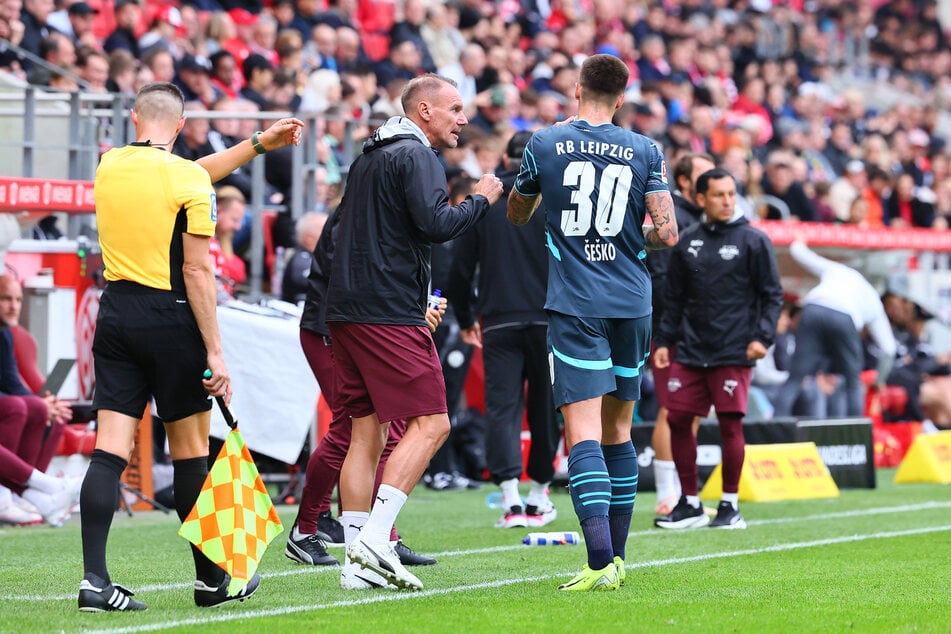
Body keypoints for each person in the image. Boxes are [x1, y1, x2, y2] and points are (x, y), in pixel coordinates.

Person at [77, 81, 303, 612]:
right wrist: (217, 353)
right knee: (189, 454)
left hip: (115, 314)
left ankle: (93, 581)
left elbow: (191, 172)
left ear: (134, 118)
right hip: (171, 318)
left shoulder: (108, 165)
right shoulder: (189, 180)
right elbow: (198, 269)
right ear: (181, 126)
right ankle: (209, 582)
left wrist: (259, 143)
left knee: (109, 450)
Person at [507, 54, 679, 592]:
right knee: (619, 431)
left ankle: (599, 562)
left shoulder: (544, 142)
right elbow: (666, 232)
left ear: (577, 90)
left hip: (577, 304)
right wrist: (630, 234)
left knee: (579, 432)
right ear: (622, 98)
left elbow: (517, 212)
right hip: (632, 302)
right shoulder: (645, 149)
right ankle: (618, 560)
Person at [325, 73, 503, 591]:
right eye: (454, 109)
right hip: (386, 310)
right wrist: (481, 198)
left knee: (367, 431)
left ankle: (355, 565)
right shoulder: (417, 154)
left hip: (346, 308)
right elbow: (436, 225)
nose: (462, 119)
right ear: (423, 111)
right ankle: (376, 541)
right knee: (433, 424)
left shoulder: (368, 155)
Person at [287, 210, 439, 590]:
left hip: (361, 323)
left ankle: (376, 537)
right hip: (335, 327)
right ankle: (307, 529)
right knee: (351, 429)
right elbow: (357, 277)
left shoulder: (373, 207)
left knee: (387, 428)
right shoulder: (357, 214)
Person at [653, 168, 783, 531]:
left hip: (734, 350)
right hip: (691, 349)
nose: (727, 201)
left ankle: (730, 505)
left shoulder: (754, 241)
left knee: (729, 424)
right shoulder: (687, 241)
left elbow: (772, 296)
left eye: (731, 193)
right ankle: (690, 503)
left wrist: (762, 339)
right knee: (677, 419)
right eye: (718, 195)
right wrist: (664, 341)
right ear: (701, 199)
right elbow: (674, 299)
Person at [447, 130, 560, 529]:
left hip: (498, 320)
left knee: (502, 408)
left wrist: (464, 319)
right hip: (551, 318)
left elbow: (459, 271)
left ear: (507, 159)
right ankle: (538, 494)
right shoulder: (557, 199)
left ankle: (511, 499)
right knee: (547, 408)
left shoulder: (490, 198)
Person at [645, 151, 715, 517]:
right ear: (684, 182)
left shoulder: (709, 222)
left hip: (701, 330)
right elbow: (661, 277)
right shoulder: (670, 216)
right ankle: (667, 493)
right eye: (703, 175)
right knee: (671, 409)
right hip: (672, 328)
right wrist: (667, 330)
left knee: (692, 410)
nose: (713, 181)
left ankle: (686, 490)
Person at [773, 236, 897, 419]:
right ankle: (856, 437)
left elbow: (800, 254)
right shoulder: (873, 300)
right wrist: (879, 380)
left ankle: (775, 432)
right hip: (843, 317)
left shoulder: (839, 271)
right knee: (853, 382)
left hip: (813, 309)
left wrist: (799, 239)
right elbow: (889, 349)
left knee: (795, 378)